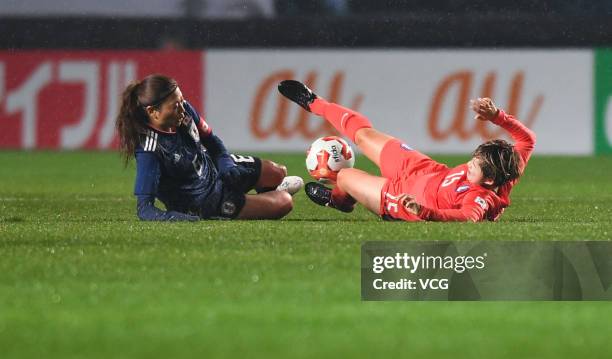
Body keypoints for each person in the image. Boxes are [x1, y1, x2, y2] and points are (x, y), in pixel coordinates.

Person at [278, 80, 536, 222]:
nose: (469, 163)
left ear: (489, 180)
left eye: (475, 165)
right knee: (365, 135)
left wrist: (421, 211)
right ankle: (315, 102)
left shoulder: (481, 198)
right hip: (424, 169)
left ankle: (339, 200)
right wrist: (497, 116)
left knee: (345, 176)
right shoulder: (509, 165)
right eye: (474, 158)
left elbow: (465, 218)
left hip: (403, 197)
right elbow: (527, 139)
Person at [116, 74, 302, 221]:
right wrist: (172, 217)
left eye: (181, 100)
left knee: (278, 172)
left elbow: (212, 141)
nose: (182, 108)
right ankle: (263, 199)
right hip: (206, 200)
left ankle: (262, 196)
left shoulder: (185, 111)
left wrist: (225, 163)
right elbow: (144, 209)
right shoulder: (150, 150)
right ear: (152, 112)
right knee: (284, 203)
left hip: (212, 169)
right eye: (175, 106)